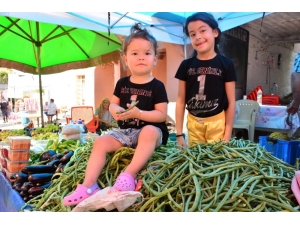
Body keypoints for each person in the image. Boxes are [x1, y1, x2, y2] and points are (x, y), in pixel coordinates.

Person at [63, 23, 169, 206]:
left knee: (149, 131)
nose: (141, 57)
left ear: (155, 59)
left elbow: (161, 115)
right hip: (126, 132)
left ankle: (129, 174)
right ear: (125, 59)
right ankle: (88, 186)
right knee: (100, 142)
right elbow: (113, 104)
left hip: (151, 132)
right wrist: (116, 111)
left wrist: (140, 114)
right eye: (134, 53)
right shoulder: (122, 83)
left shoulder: (157, 86)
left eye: (146, 53)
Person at [175, 12, 237, 148]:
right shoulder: (186, 65)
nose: (198, 37)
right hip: (193, 123)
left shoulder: (226, 64)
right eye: (192, 34)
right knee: (197, 160)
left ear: (215, 32)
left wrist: (227, 134)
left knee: (216, 162)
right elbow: (180, 101)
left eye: (202, 30)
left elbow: (232, 102)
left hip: (217, 123)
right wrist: (179, 134)